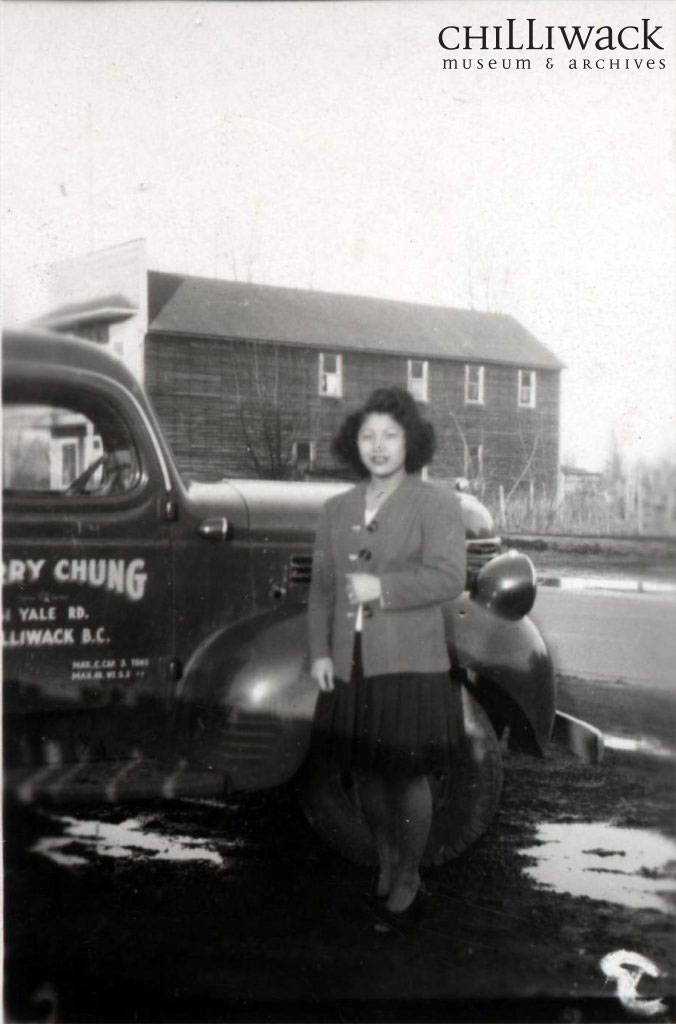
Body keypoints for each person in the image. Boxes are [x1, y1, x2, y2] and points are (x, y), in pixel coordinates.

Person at [308, 387, 467, 931]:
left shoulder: (438, 503)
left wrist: (384, 587)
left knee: (407, 777)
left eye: (390, 436)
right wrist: (321, 654)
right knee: (369, 777)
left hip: (410, 663)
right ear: (355, 444)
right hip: (351, 660)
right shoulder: (335, 510)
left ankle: (408, 881)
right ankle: (385, 863)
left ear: (411, 442)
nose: (378, 447)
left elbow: (450, 577)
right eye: (368, 436)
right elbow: (323, 591)